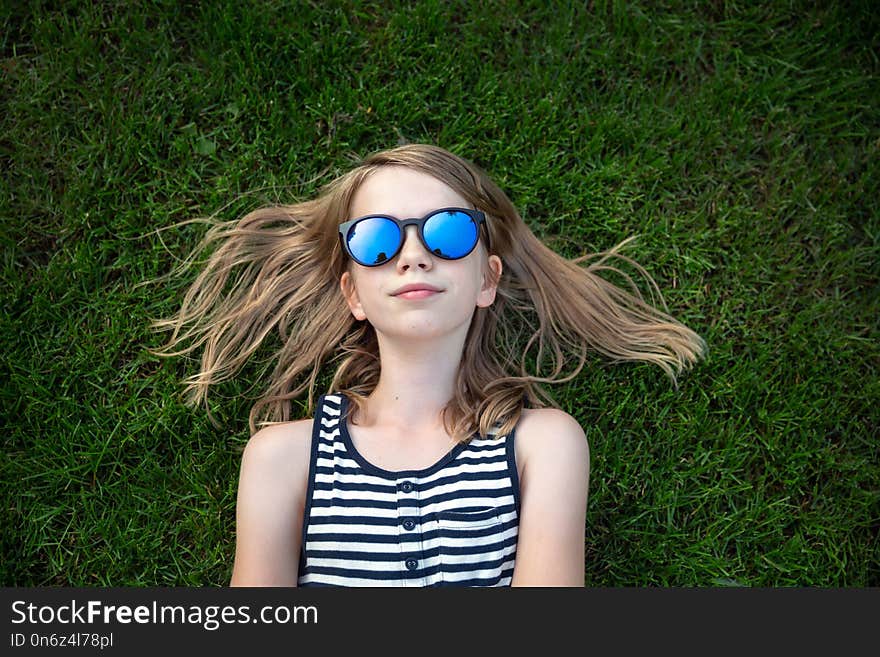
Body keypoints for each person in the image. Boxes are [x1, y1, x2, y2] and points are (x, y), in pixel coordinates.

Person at [151, 143, 706, 587]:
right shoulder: (283, 457)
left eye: (447, 231)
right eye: (377, 241)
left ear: (487, 279)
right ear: (355, 295)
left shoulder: (544, 445)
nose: (414, 255)